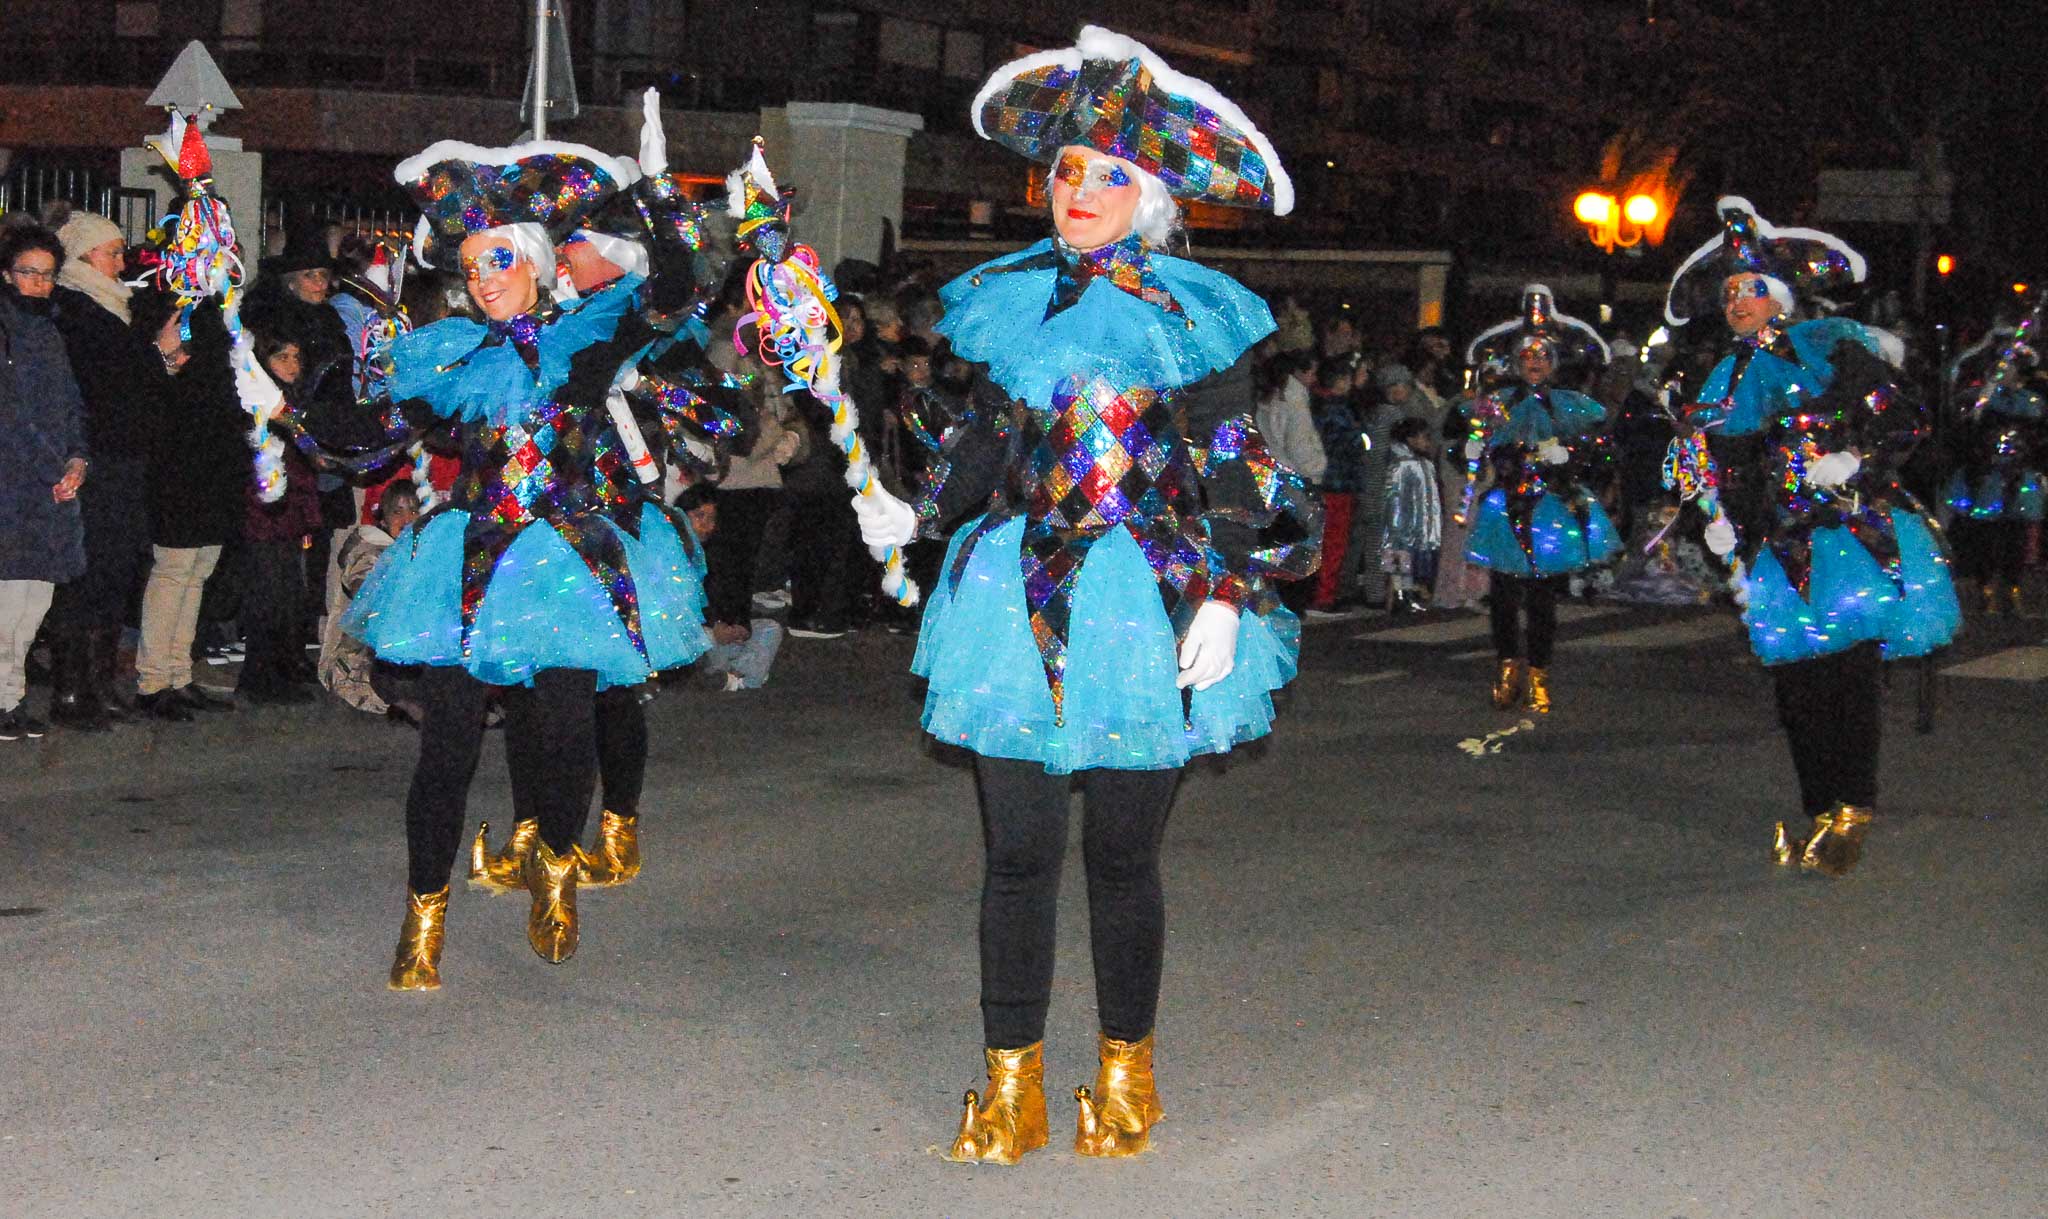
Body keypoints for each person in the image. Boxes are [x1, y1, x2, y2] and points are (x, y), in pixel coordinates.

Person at [853, 27, 1319, 1164]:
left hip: (1148, 598)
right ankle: (1008, 1084)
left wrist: (1225, 592)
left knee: (1119, 857)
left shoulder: (1196, 313)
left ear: (1149, 199)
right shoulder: (1006, 302)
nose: (1080, 191)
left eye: (1109, 174)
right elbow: (982, 450)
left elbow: (1224, 463)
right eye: (1067, 169)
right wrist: (911, 513)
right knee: (1015, 852)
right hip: (1011, 597)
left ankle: (1125, 1074)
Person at [263, 134, 718, 990]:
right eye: (471, 266)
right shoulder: (452, 352)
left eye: (498, 258)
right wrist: (288, 410)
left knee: (563, 728)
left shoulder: (590, 335)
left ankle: (554, 868)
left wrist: (660, 196)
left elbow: (674, 295)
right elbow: (371, 434)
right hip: (469, 561)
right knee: (446, 750)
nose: (482, 277)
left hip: (570, 560)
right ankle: (423, 916)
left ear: (539, 263)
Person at [1663, 196, 1960, 876]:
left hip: (1849, 529)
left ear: (1780, 297)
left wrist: (1857, 458)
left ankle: (1853, 805)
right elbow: (1718, 462)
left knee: (1846, 673)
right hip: (1779, 540)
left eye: (1751, 289)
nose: (1739, 301)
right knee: (1797, 685)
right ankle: (1820, 806)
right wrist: (1714, 519)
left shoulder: (1834, 350)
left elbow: (1902, 417)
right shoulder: (1723, 377)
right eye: (1731, 291)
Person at [1457, 284, 1622, 713]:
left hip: (1551, 507)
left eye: (1542, 356)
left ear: (1554, 362)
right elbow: (1469, 442)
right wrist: (1472, 450)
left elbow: (1602, 450)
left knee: (1544, 599)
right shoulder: (1498, 402)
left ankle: (1539, 675)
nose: (1534, 363)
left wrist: (1569, 456)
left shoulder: (1571, 405)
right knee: (1505, 597)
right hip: (1506, 506)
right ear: (1515, 361)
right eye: (1527, 357)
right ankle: (1508, 668)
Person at [37, 210, 160, 729]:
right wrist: (156, 356)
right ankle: (72, 689)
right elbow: (104, 382)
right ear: (85, 256)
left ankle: (101, 682)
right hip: (96, 457)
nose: (119, 261)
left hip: (124, 454)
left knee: (115, 571)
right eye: (110, 252)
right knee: (86, 572)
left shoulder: (110, 305)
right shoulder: (75, 309)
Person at [133, 290, 245, 722]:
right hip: (179, 469)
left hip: (214, 466)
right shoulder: (173, 308)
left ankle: (178, 673)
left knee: (197, 573)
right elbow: (155, 391)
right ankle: (152, 679)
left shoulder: (218, 311)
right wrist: (167, 358)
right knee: (174, 572)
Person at [0, 230, 89, 740]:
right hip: (16, 485)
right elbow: (12, 415)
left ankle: (11, 699)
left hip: (55, 485)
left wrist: (78, 460)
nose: (38, 284)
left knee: (35, 604)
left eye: (47, 274)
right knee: (9, 602)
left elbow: (73, 402)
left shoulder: (51, 331)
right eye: (28, 272)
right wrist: (55, 468)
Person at [232, 329, 324, 704]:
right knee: (267, 595)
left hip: (289, 512)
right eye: (282, 357)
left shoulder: (295, 403)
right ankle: (260, 676)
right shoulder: (259, 403)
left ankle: (281, 667)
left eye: (296, 358)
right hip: (264, 512)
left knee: (288, 594)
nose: (292, 365)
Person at [1943, 322, 2043, 614]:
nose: (2004, 371)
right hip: (1988, 476)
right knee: (1985, 536)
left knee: (2017, 536)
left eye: (2010, 366)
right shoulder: (1983, 399)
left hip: (2021, 476)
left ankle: (2012, 590)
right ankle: (1985, 589)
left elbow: (2037, 437)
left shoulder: (2033, 402)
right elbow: (1964, 429)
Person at [320, 479, 419, 716]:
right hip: (355, 667)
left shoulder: (412, 550)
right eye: (398, 512)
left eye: (414, 511)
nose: (407, 520)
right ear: (383, 519)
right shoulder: (371, 551)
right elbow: (365, 592)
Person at [1308, 354, 1367, 612]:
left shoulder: (1319, 404)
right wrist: (1362, 439)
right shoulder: (1335, 410)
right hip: (1338, 481)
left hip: (1331, 479)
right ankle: (1324, 595)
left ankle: (1325, 592)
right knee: (1334, 540)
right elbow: (1349, 442)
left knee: (1329, 539)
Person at [1380, 416, 1442, 614]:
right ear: (1410, 439)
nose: (1428, 442)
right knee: (1400, 561)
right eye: (1424, 438)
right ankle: (1398, 598)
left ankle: (1406, 596)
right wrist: (1396, 526)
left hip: (1421, 524)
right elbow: (1394, 498)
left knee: (1412, 562)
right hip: (1404, 525)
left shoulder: (1425, 464)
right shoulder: (1402, 465)